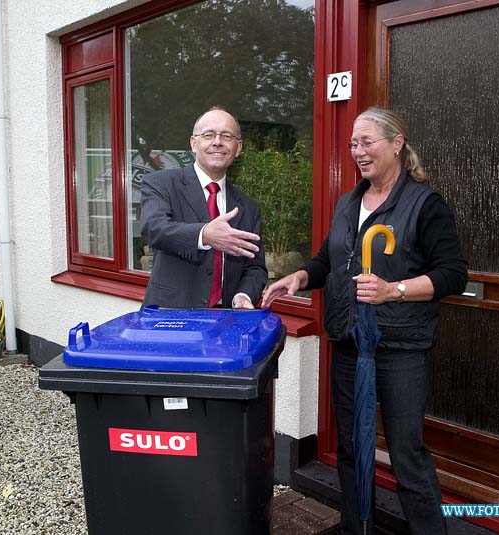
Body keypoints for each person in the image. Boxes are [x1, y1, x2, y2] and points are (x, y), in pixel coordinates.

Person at [262, 106, 467, 534]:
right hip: (350, 343)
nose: (358, 150)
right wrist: (299, 277)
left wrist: (396, 290)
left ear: (397, 143)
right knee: (353, 448)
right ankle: (356, 528)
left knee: (406, 454)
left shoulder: (425, 204)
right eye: (354, 143)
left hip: (400, 347)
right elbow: (328, 261)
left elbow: (453, 275)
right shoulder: (349, 201)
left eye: (367, 141)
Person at [141, 107, 267, 309]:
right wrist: (204, 235)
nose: (217, 142)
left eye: (227, 136)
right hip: (170, 316)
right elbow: (154, 228)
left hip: (225, 317)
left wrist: (244, 294)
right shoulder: (161, 183)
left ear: (238, 147)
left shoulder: (249, 207)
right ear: (194, 143)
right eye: (209, 135)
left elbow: (255, 267)